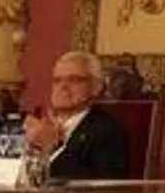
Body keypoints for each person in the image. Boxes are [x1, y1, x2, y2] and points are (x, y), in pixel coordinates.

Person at [22, 51, 129, 180]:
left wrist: (53, 147)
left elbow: (100, 183)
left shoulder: (108, 130)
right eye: (57, 80)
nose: (63, 86)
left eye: (74, 80)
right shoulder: (42, 124)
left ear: (97, 87)